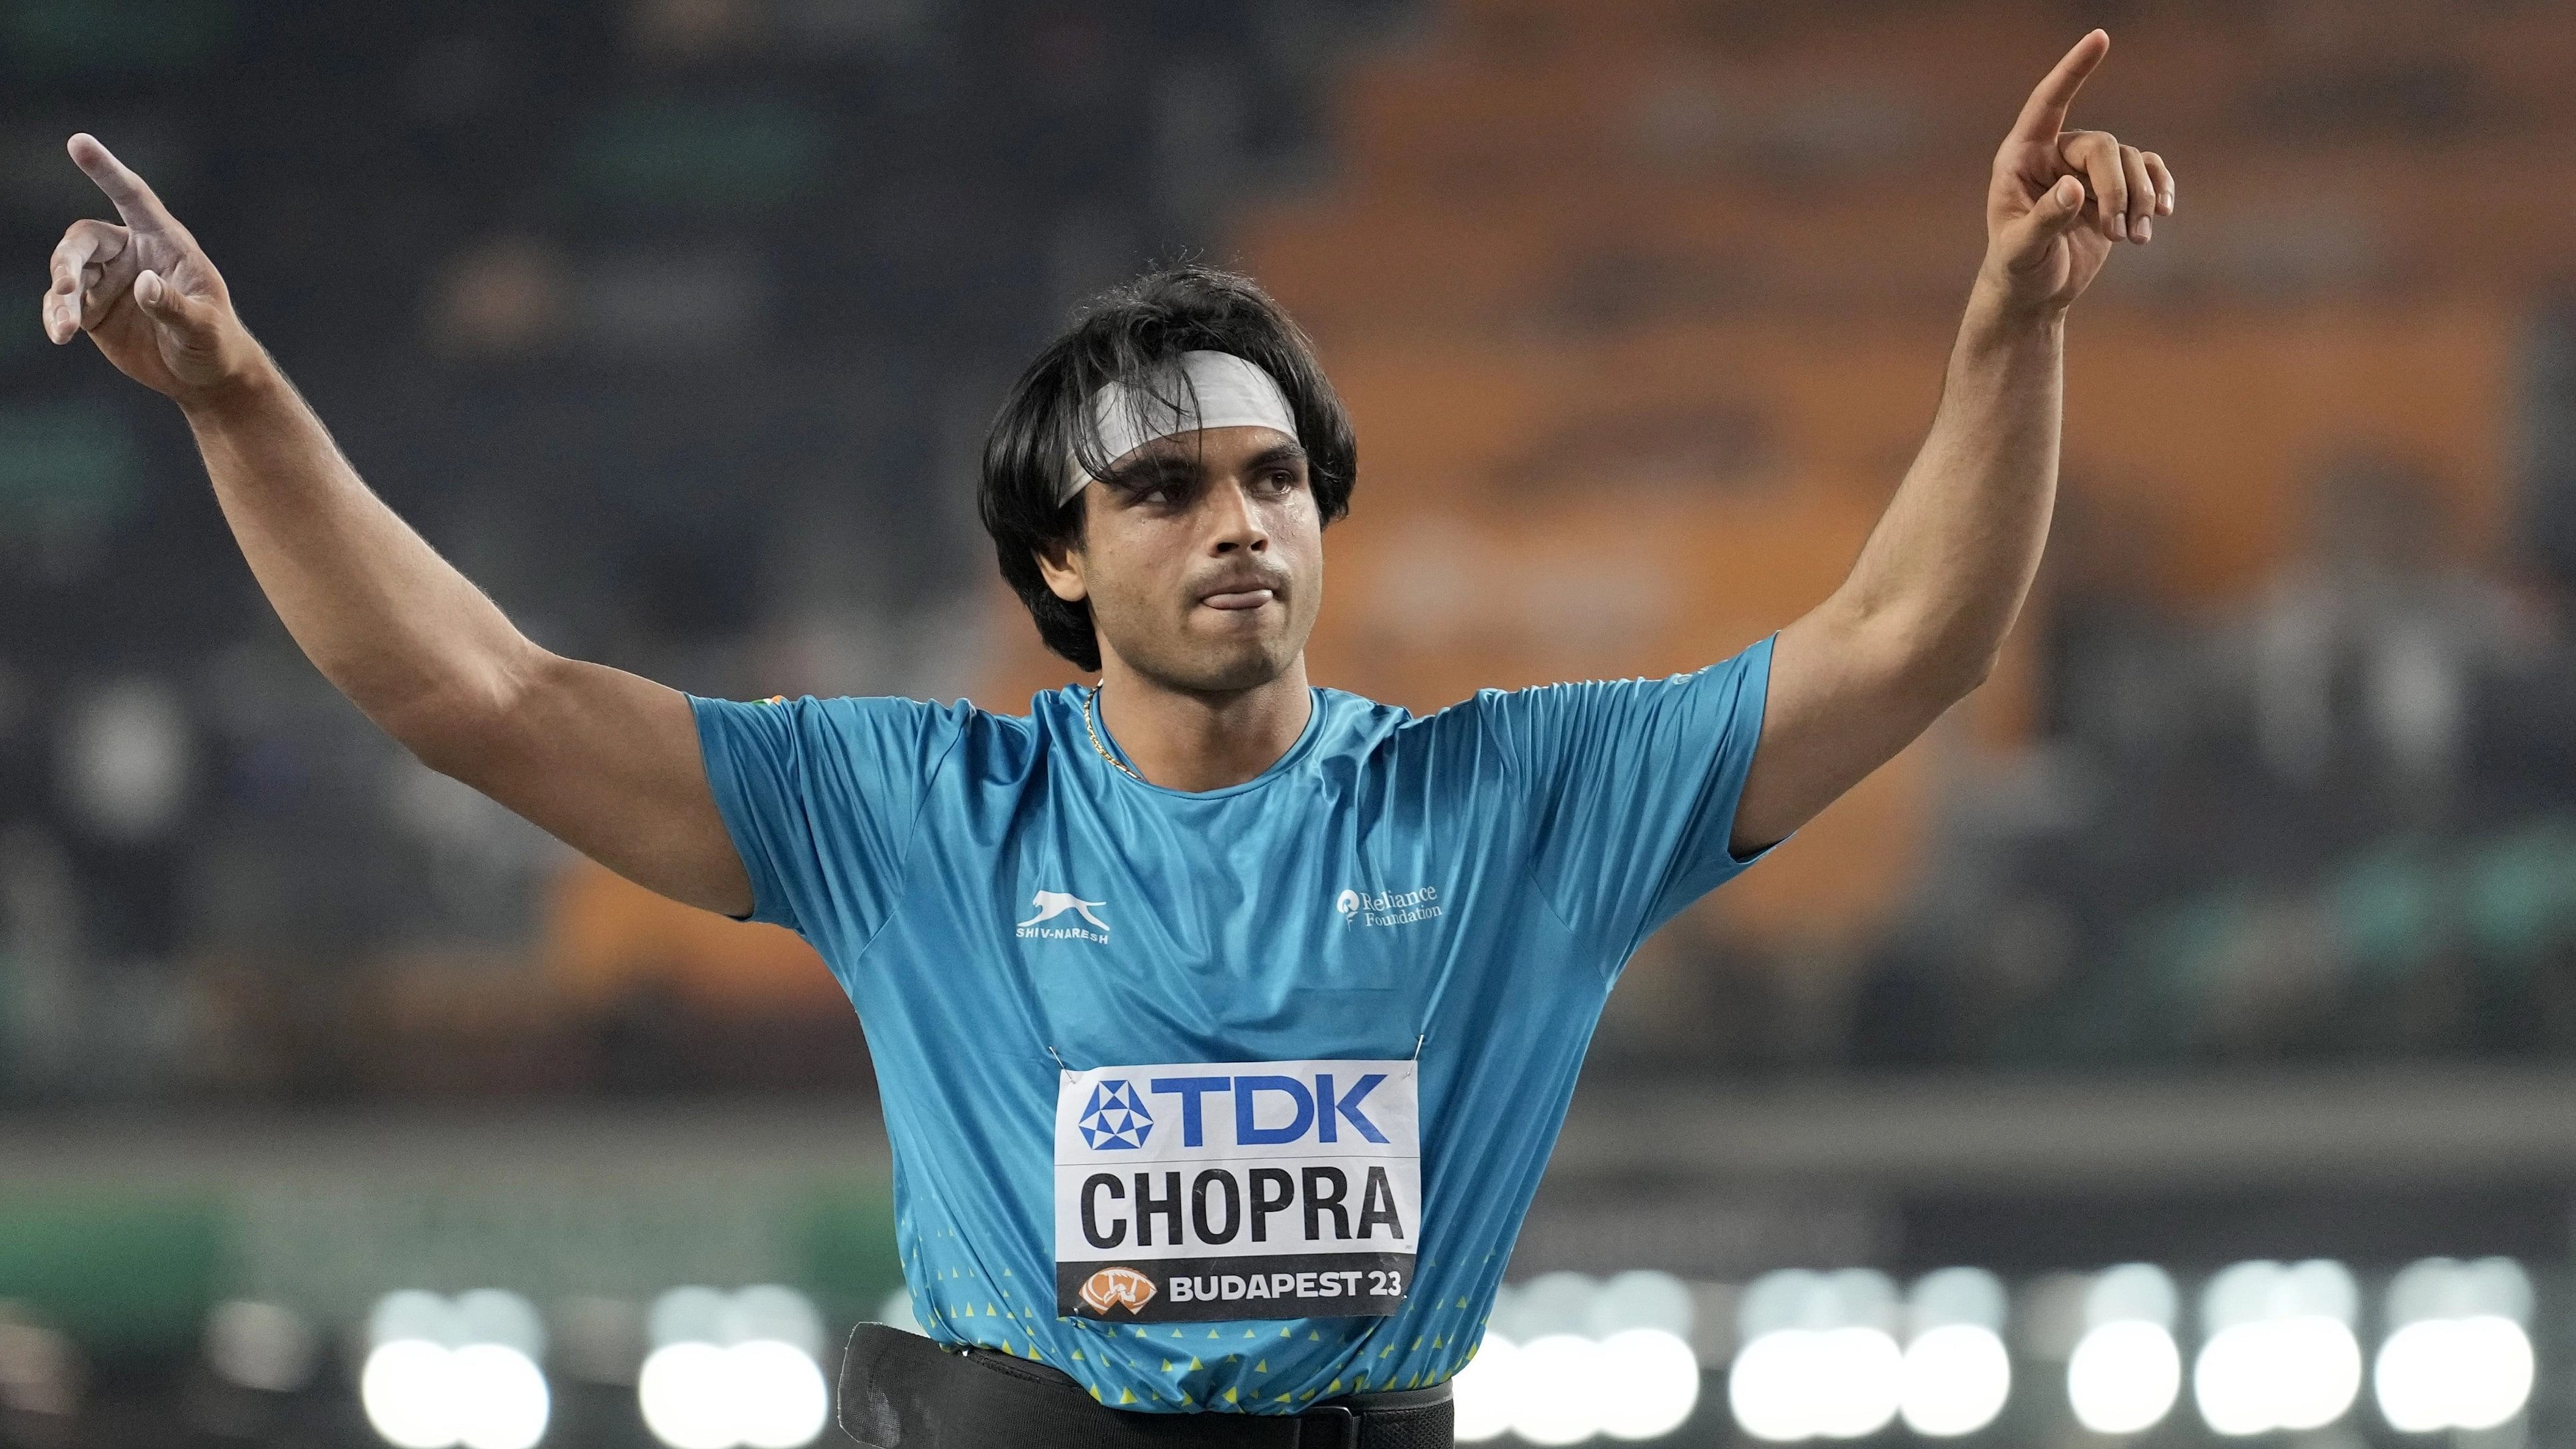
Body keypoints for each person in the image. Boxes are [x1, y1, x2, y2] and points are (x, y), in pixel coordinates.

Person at [40, 29, 2170, 1448]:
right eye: (1165, 489)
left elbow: (1912, 639)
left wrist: (2009, 330)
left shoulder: (1513, 801)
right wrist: (237, 397)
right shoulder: (914, 814)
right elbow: (480, 695)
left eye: (1274, 478)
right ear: (1058, 565)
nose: (1236, 522)